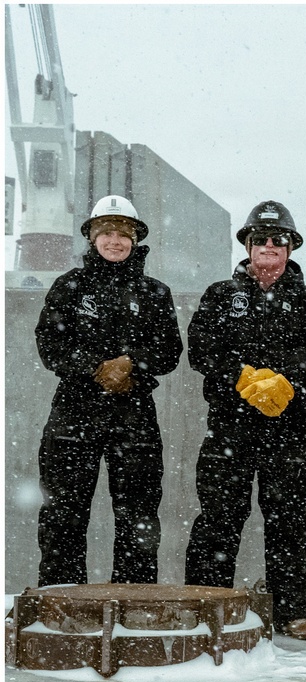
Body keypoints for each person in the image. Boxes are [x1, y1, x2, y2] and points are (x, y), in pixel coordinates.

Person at [184, 200, 306, 641]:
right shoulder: (218, 295)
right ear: (248, 245)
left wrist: (283, 377)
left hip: (286, 430)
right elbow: (202, 350)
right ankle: (204, 605)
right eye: (261, 239)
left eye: (279, 240)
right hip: (229, 429)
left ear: (291, 247)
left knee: (289, 520)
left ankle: (294, 610)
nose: (269, 246)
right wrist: (242, 376)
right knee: (218, 518)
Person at [34, 195, 183, 586]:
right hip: (74, 413)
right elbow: (50, 344)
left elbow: (170, 351)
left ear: (135, 240)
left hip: (134, 417)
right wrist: (95, 368)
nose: (115, 241)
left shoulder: (155, 293)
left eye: (123, 233)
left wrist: (132, 363)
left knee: (139, 516)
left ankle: (135, 603)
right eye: (107, 232)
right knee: (63, 512)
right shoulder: (69, 286)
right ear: (92, 238)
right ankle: (62, 600)